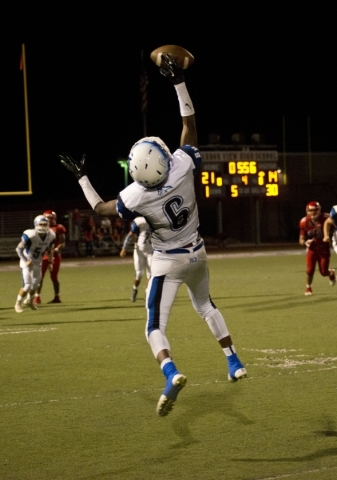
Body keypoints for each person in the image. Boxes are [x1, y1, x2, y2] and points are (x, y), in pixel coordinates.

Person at [59, 53, 247, 417]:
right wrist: (179, 82)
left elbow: (100, 209)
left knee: (153, 326)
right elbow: (189, 125)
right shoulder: (180, 166)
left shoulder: (135, 195)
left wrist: (82, 177)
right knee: (206, 305)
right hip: (198, 253)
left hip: (167, 262)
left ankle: (171, 372)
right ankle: (233, 361)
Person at [14, 215, 56, 313]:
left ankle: (29, 301)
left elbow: (50, 250)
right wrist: (25, 260)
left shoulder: (51, 235)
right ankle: (18, 303)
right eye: (41, 224)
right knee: (27, 285)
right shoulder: (30, 235)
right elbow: (18, 249)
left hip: (38, 262)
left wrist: (50, 262)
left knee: (36, 285)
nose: (43, 227)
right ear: (36, 224)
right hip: (27, 262)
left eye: (45, 224)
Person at [25, 210, 66, 304]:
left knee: (54, 277)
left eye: (51, 218)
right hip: (42, 256)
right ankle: (37, 297)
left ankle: (57, 296)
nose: (49, 220)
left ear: (54, 218)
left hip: (54, 255)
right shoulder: (40, 229)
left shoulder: (58, 228)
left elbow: (62, 242)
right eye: (47, 218)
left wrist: (56, 250)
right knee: (39, 277)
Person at [299, 201, 335, 296]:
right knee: (310, 269)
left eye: (315, 210)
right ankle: (308, 287)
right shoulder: (304, 222)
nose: (313, 212)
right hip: (312, 248)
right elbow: (301, 238)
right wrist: (305, 242)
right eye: (310, 210)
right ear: (307, 211)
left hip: (324, 247)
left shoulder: (326, 217)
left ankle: (330, 273)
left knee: (323, 272)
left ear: (319, 210)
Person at [120, 216, 153, 302]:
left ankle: (147, 293)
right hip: (139, 251)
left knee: (150, 274)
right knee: (139, 274)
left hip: (151, 251)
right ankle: (135, 289)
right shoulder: (139, 221)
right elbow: (130, 235)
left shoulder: (156, 219)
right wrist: (124, 248)